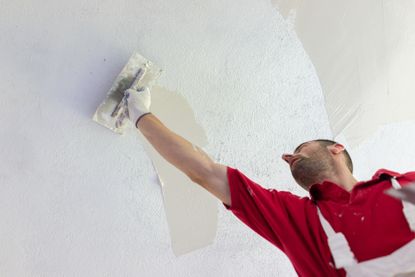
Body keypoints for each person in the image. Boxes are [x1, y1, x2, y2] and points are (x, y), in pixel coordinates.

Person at [123, 87, 415, 276]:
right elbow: (204, 171)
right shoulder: (297, 221)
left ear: (336, 149)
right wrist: (140, 115)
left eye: (301, 148)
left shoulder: (398, 185)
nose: (289, 156)